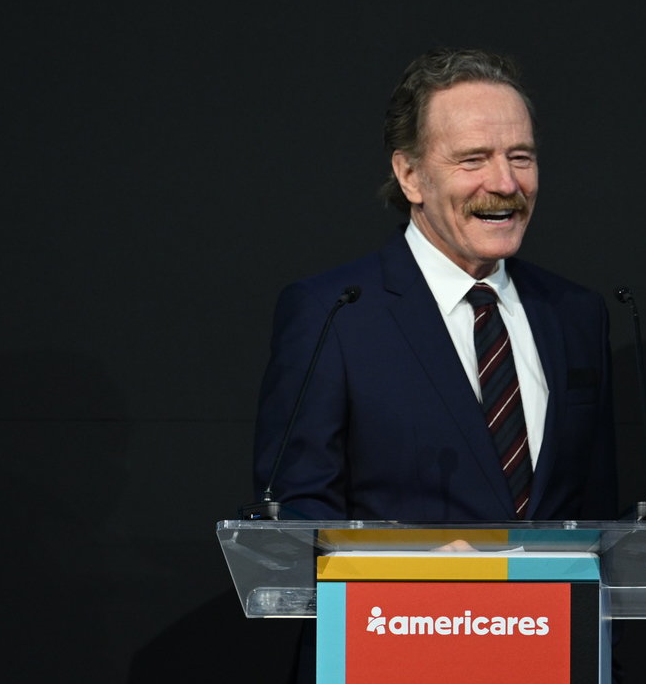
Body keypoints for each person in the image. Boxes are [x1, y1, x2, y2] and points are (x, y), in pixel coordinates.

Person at [252, 45, 620, 524]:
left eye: (520, 156)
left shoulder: (576, 314)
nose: (506, 183)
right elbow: (298, 518)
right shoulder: (335, 315)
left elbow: (597, 514)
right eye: (473, 159)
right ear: (410, 176)